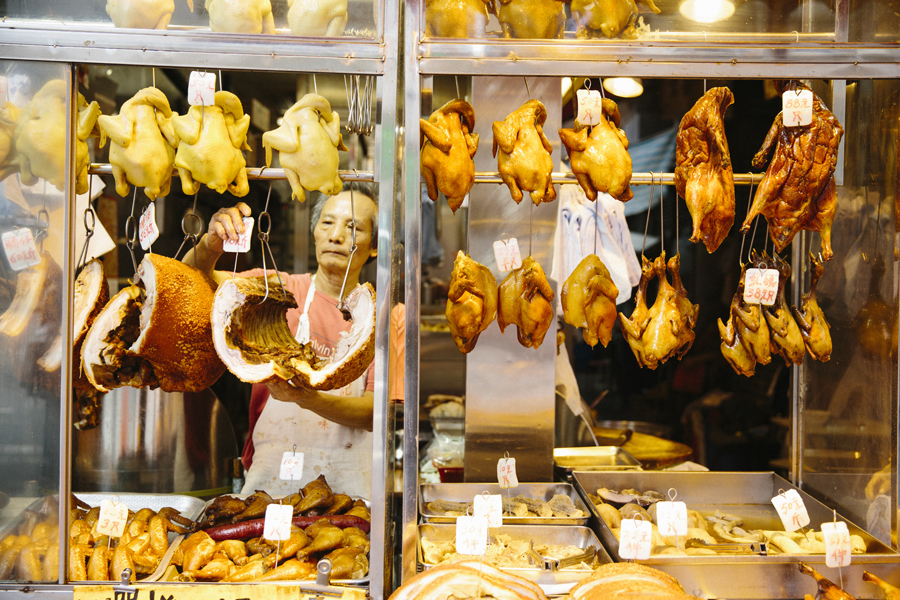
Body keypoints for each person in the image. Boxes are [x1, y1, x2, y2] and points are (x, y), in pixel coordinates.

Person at [186, 182, 397, 498]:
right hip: (269, 488)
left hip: (348, 496)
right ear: (314, 232)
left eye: (353, 227)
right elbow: (192, 285)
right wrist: (209, 246)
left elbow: (374, 413)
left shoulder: (385, 319)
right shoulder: (275, 292)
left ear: (375, 245)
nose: (336, 235)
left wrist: (307, 398)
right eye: (327, 223)